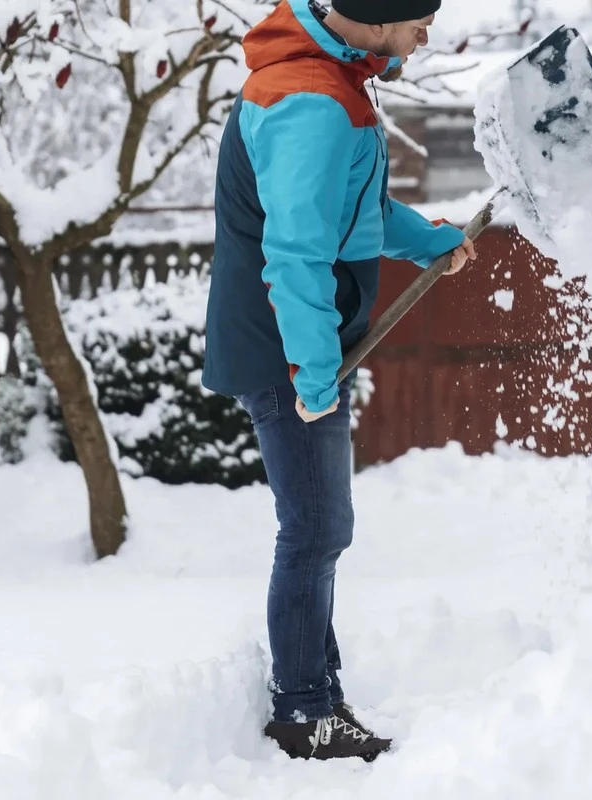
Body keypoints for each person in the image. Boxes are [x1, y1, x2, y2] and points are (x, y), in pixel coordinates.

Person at [202, 0, 476, 763]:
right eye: (420, 16)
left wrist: (429, 243)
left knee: (319, 523)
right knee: (316, 527)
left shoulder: (335, 82)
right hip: (285, 349)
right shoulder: (310, 102)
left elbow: (355, 212)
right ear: (382, 14)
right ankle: (303, 711)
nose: (428, 31)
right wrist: (311, 371)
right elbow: (294, 252)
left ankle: (315, 686)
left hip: (304, 344)